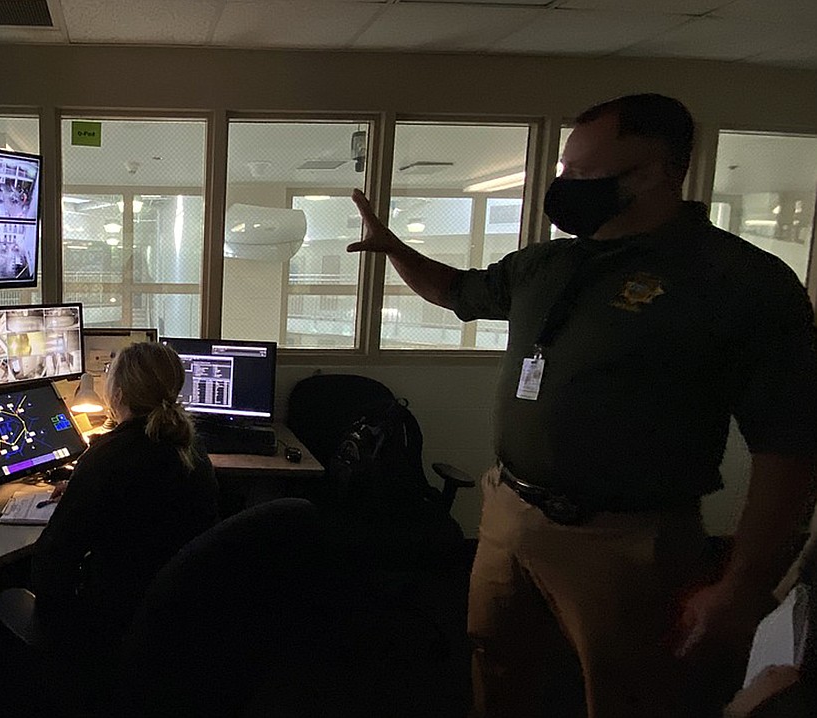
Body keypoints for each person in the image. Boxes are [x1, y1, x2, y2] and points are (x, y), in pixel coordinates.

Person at [348, 93, 817, 716]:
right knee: (495, 660)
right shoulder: (547, 263)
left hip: (625, 539)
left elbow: (788, 447)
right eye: (563, 171)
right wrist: (392, 247)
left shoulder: (736, 281)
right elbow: (456, 291)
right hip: (510, 509)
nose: (563, 187)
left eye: (581, 176)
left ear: (653, 173)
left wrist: (741, 583)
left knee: (623, 691)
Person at [29, 341, 220, 712]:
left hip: (115, 620)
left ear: (117, 393)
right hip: (181, 617)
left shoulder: (106, 457)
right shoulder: (191, 448)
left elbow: (52, 565)